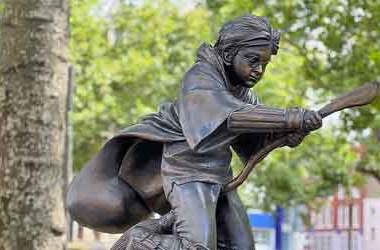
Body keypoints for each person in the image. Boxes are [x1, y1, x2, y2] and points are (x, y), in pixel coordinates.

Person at [66, 14, 322, 250]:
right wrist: (288, 117)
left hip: (219, 175)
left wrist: (286, 136)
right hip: (186, 171)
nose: (259, 70)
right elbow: (229, 116)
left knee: (241, 247)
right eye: (252, 60)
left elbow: (251, 142)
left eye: (264, 64)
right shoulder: (200, 77)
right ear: (228, 54)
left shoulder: (244, 93)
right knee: (195, 247)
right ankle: (138, 241)